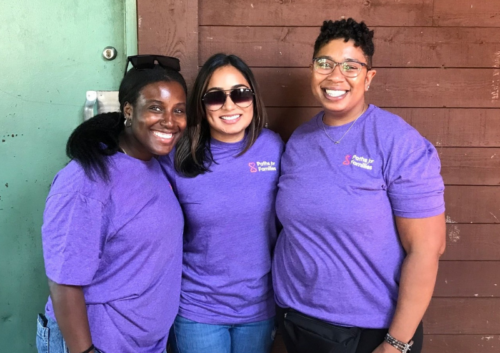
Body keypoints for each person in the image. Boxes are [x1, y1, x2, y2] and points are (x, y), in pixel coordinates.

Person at [272, 18, 446, 353]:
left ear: (369, 78)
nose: (335, 76)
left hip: (369, 333)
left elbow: (427, 249)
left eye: (351, 66)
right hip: (298, 320)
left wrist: (396, 343)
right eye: (325, 63)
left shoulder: (399, 143)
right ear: (313, 69)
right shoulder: (298, 142)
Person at [36, 55, 188, 353]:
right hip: (97, 342)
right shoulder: (85, 181)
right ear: (129, 111)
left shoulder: (156, 164)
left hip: (141, 341)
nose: (170, 121)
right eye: (155, 107)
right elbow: (64, 281)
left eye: (179, 110)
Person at [163, 53, 283, 353]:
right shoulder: (178, 155)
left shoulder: (274, 148)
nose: (229, 106)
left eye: (240, 94)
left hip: (259, 309)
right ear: (202, 106)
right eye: (215, 97)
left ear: (253, 99)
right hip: (198, 310)